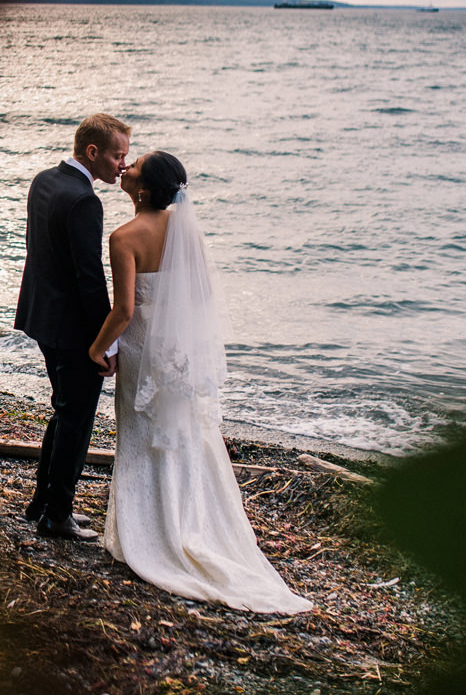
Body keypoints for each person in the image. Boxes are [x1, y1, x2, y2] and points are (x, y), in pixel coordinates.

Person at [88, 151, 313, 613]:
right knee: (187, 437)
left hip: (142, 350)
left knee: (142, 434)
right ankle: (192, 522)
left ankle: (150, 532)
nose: (125, 168)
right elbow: (201, 296)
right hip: (179, 354)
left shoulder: (124, 236)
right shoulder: (188, 234)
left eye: (134, 167)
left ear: (144, 189)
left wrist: (96, 349)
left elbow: (125, 311)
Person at [15, 112, 131, 541]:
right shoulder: (85, 201)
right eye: (118, 155)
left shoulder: (45, 179)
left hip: (42, 316)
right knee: (76, 419)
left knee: (64, 410)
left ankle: (43, 502)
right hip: (73, 329)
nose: (123, 164)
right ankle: (57, 515)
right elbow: (90, 278)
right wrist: (107, 341)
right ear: (93, 151)